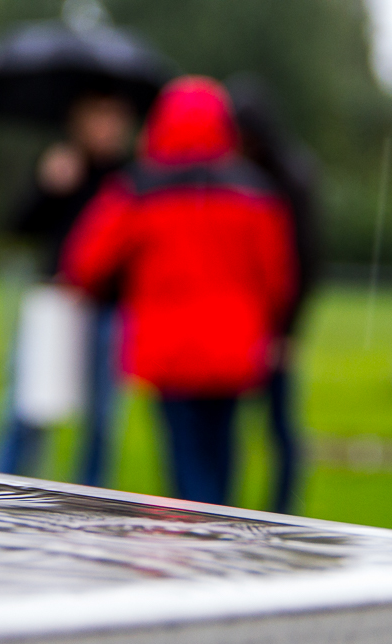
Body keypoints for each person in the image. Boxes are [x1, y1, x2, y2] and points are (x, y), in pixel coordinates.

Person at [60, 77, 296, 506]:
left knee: (185, 463)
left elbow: (86, 260)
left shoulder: (139, 188)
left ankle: (196, 533)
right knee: (222, 451)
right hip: (233, 348)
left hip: (170, 349)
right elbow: (277, 276)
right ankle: (218, 527)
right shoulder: (253, 190)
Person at [0, 92, 135, 486]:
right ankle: (0, 487)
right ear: (79, 121)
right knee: (27, 407)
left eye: (115, 116)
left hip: (107, 305)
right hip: (57, 304)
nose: (108, 126)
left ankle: (91, 499)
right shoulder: (64, 166)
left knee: (101, 418)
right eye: (99, 115)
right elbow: (18, 225)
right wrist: (47, 185)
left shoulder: (131, 178)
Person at [228, 74, 323, 514]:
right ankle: (227, 511)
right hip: (237, 318)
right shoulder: (234, 175)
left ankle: (282, 512)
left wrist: (288, 331)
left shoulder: (291, 178)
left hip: (275, 319)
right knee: (231, 424)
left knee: (280, 425)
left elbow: (306, 258)